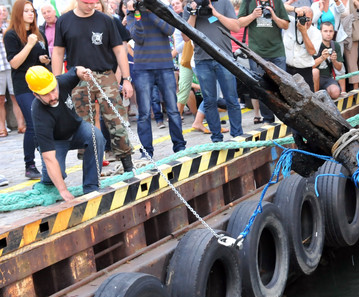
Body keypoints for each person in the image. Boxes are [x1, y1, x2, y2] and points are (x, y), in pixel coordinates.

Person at [52, 0, 135, 173]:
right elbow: (58, 52)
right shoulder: (64, 21)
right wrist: (57, 81)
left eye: (94, 2)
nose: (90, 6)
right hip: (78, 78)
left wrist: (126, 79)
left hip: (105, 75)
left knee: (117, 121)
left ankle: (128, 166)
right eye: (87, 2)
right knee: (85, 126)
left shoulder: (106, 20)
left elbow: (119, 49)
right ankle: (92, 171)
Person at [27, 65, 105, 201]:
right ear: (36, 94)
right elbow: (49, 157)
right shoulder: (39, 112)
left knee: (96, 135)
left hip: (76, 129)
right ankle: (47, 180)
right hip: (55, 141)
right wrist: (63, 191)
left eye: (53, 90)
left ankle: (91, 186)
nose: (53, 96)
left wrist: (83, 72)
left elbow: (75, 70)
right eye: (46, 94)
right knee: (57, 174)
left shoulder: (60, 82)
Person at [125, 0, 186, 159]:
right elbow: (138, 38)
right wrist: (138, 14)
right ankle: (146, 152)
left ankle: (179, 146)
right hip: (143, 68)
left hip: (164, 65)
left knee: (173, 109)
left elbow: (169, 29)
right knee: (143, 113)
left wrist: (151, 12)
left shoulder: (162, 8)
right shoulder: (132, 14)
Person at [183, 0, 243, 141]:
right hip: (202, 60)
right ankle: (216, 138)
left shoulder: (223, 2)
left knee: (231, 99)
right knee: (209, 101)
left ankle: (237, 136)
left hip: (224, 58)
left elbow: (236, 27)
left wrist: (216, 13)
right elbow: (186, 37)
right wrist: (193, 14)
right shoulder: (190, 6)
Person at [5, 0, 50, 179]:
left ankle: (47, 159)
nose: (31, 14)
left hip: (42, 82)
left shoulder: (37, 32)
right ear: (18, 13)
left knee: (45, 123)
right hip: (24, 85)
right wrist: (30, 45)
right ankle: (29, 164)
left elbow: (39, 57)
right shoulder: (11, 35)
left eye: (32, 11)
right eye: (26, 11)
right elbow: (14, 63)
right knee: (32, 123)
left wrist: (43, 59)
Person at [237, 0, 289, 124]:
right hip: (257, 53)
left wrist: (274, 16)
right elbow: (239, 23)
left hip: (277, 52)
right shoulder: (248, 2)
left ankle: (286, 118)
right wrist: (253, 15)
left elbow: (286, 25)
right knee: (262, 88)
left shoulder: (277, 2)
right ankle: (268, 119)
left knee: (283, 87)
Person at [0, 4, 27, 136]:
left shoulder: (9, 27)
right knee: (0, 99)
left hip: (9, 66)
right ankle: (2, 127)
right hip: (0, 67)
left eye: (4, 11)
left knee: (15, 96)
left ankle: (21, 125)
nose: (2, 14)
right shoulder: (9, 30)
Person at [282, 6, 317, 91]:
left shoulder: (315, 32)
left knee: (308, 100)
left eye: (308, 19)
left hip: (305, 72)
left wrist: (304, 32)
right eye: (303, 18)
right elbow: (280, 6)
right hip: (287, 70)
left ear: (312, 20)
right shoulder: (290, 23)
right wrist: (295, 9)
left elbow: (312, 51)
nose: (305, 22)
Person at [312, 21, 342, 99]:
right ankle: (316, 99)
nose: (328, 34)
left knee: (335, 92)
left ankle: (324, 95)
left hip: (327, 77)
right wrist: (322, 58)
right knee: (315, 71)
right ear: (320, 32)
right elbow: (309, 66)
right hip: (313, 78)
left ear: (333, 33)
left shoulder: (335, 45)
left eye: (330, 31)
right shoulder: (314, 44)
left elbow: (339, 68)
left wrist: (334, 61)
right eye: (325, 31)